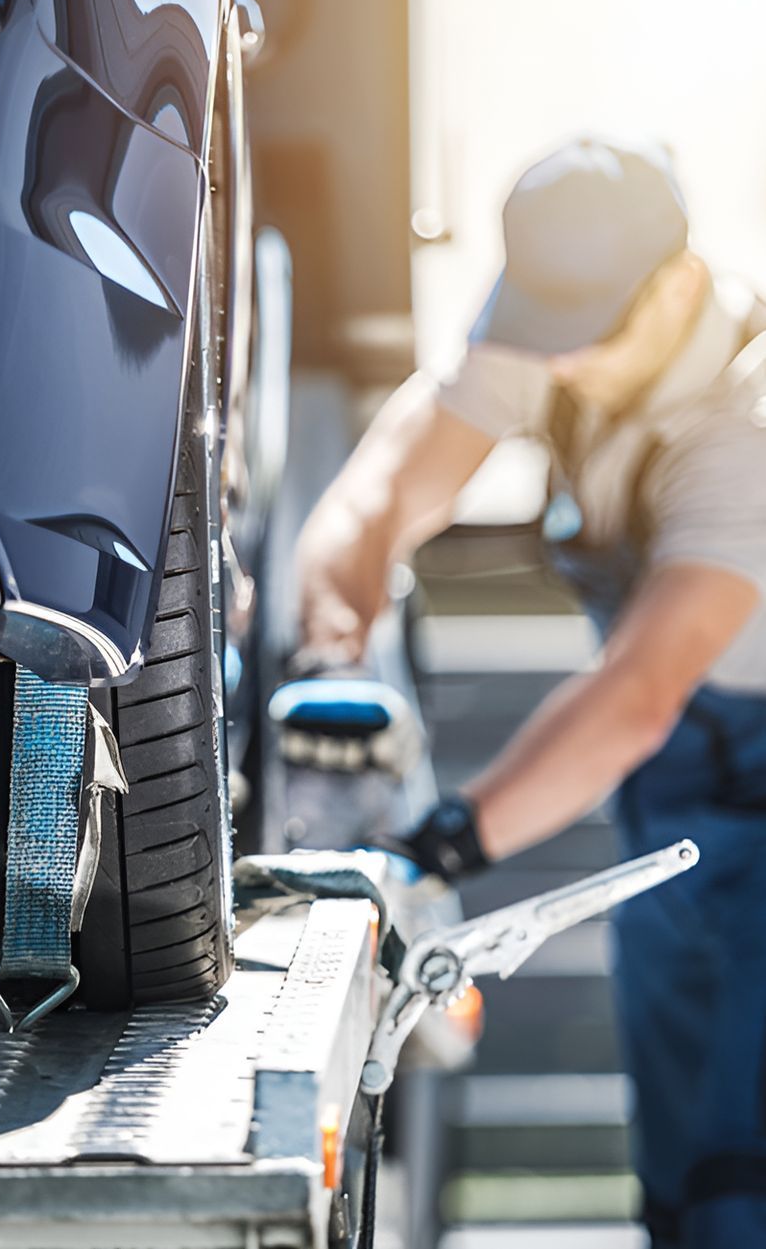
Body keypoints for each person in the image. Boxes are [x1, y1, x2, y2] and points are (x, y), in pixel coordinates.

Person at [296, 136, 766, 1247]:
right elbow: (371, 502)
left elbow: (639, 692)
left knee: (745, 1175)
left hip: (724, 769)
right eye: (544, 334)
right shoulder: (555, 337)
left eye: (584, 337)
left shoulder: (743, 434)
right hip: (676, 808)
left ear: (678, 287)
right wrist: (332, 653)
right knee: (681, 1168)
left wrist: (441, 847)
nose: (557, 366)